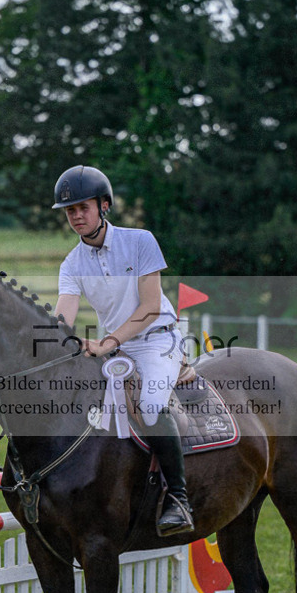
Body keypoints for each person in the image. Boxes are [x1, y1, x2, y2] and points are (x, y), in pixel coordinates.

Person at [52, 164, 194, 536]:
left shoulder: (140, 240)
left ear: (104, 205)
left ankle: (178, 497)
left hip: (158, 338)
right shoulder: (71, 263)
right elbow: (64, 312)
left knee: (149, 406)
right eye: (70, 210)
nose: (76, 216)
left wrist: (108, 342)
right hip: (115, 350)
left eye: (83, 207)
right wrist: (55, 339)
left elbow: (148, 307)